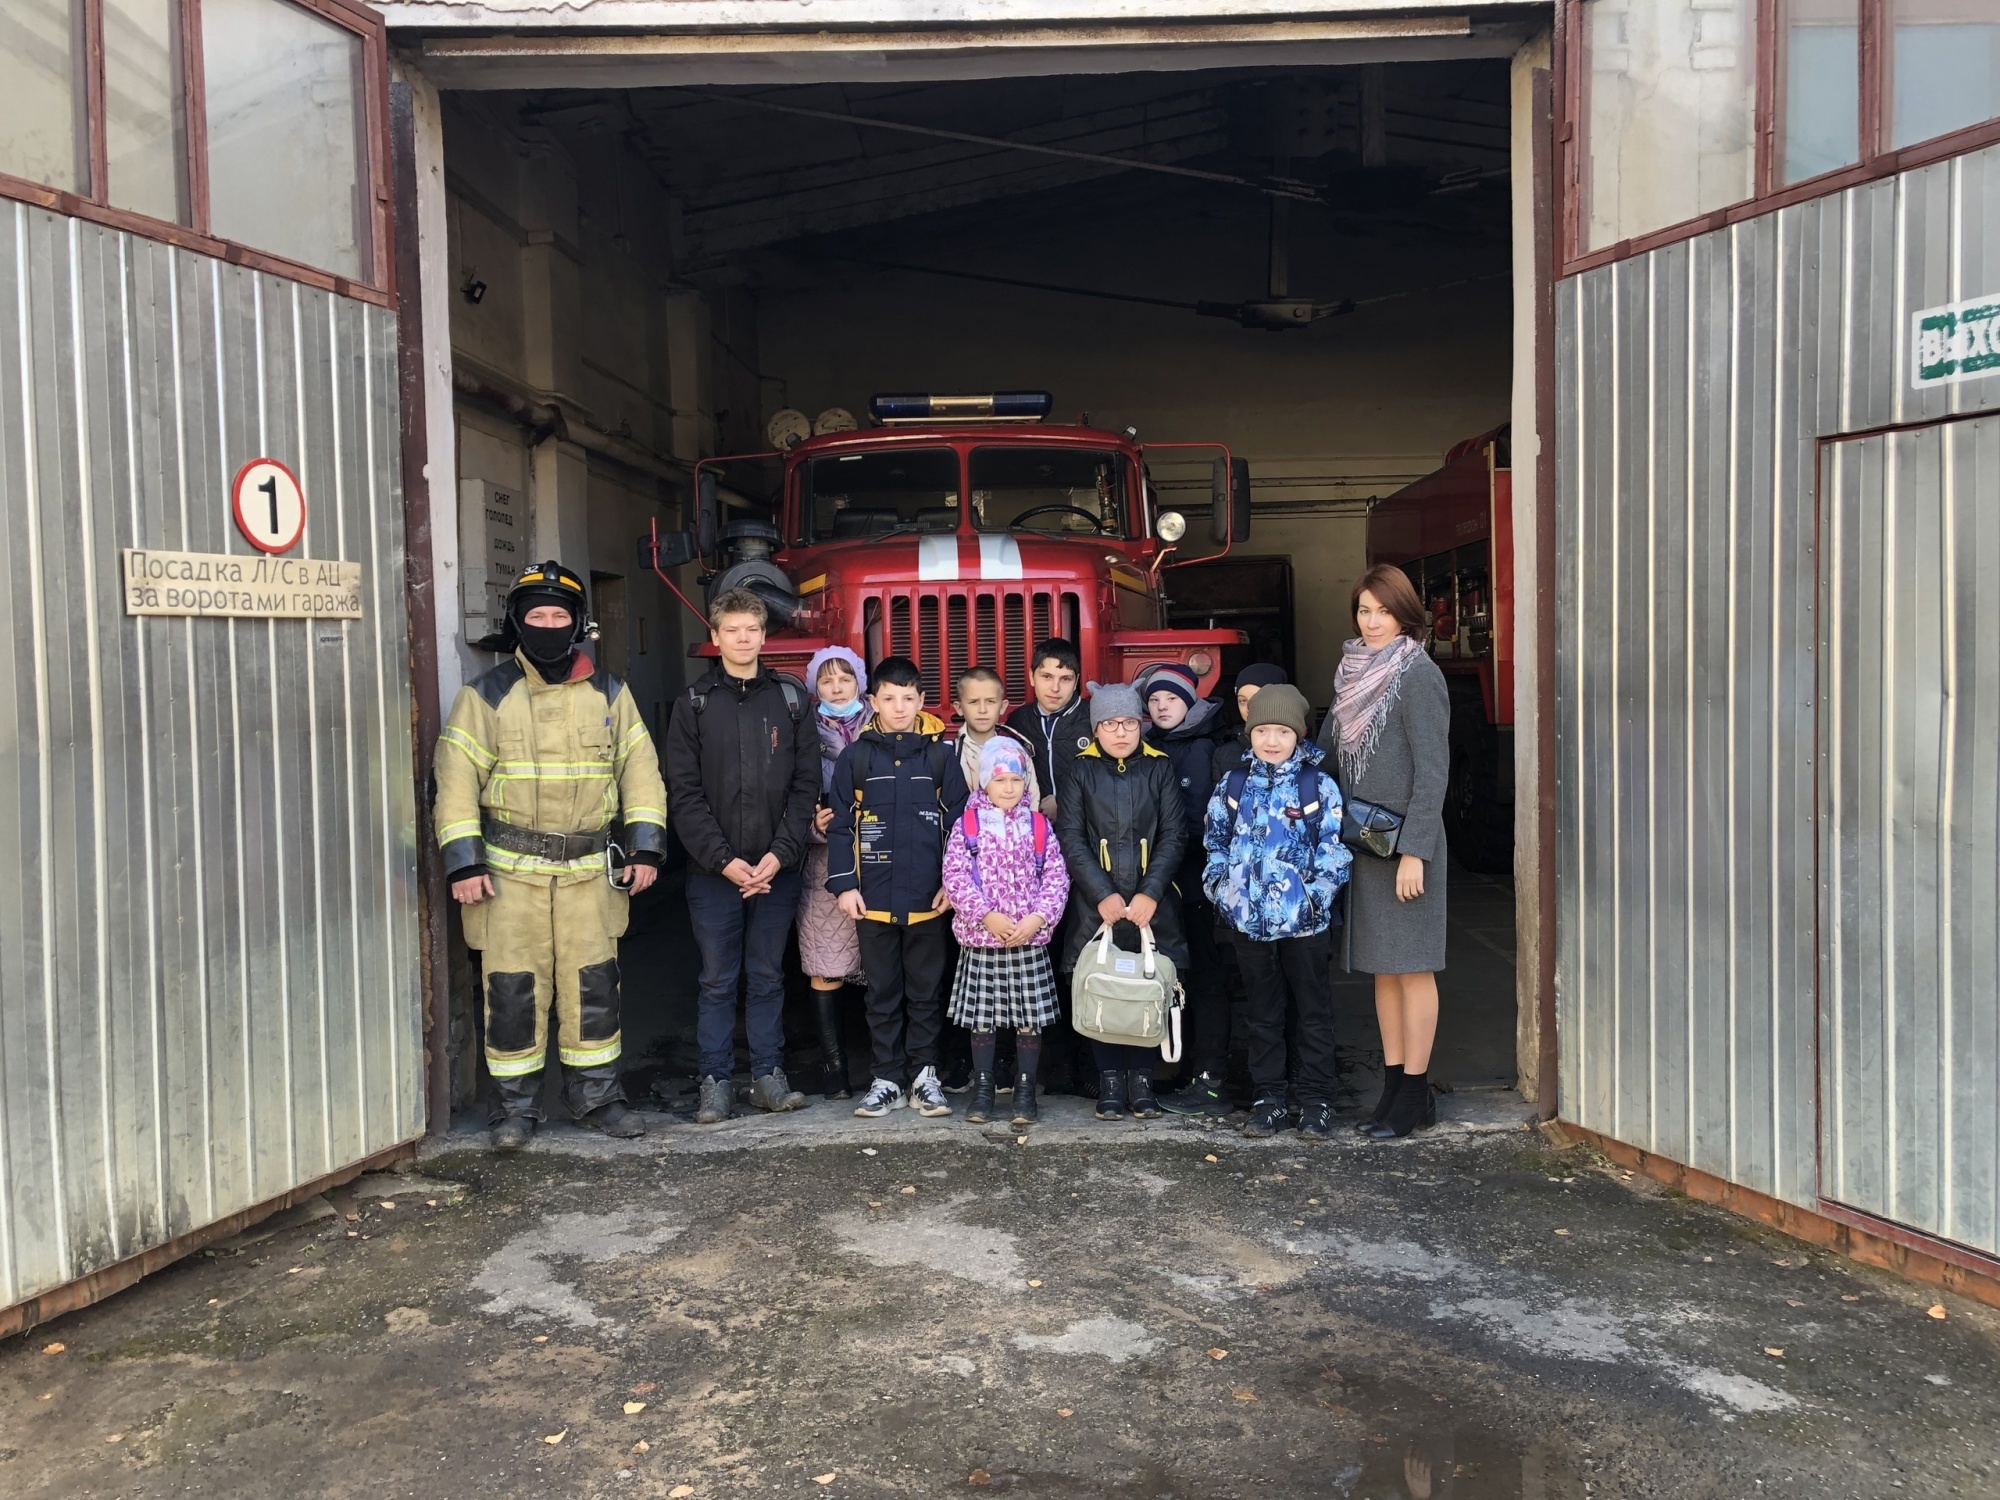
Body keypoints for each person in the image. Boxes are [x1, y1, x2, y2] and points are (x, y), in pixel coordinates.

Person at [435, 560, 667, 1150]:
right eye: (535, 615)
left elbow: (641, 773)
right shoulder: (484, 696)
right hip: (509, 877)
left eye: (558, 615)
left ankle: (598, 1100)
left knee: (594, 991)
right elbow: (455, 780)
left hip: (591, 874)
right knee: (513, 993)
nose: (547, 625)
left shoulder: (611, 694)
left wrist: (646, 849)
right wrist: (464, 862)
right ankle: (513, 1110)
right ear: (516, 623)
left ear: (578, 623)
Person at [664, 588, 820, 1125]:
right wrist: (724, 861)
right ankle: (715, 1082)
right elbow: (682, 794)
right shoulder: (695, 704)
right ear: (715, 637)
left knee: (768, 975)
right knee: (716, 979)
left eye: (751, 629)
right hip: (714, 874)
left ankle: (768, 1077)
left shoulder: (792, 699)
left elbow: (806, 786)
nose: (743, 638)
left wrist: (780, 854)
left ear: (763, 635)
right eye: (731, 629)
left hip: (778, 870)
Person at [1319, 564, 1451, 1139]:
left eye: (1384, 612)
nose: (1372, 622)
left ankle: (1416, 1091)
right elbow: (1324, 754)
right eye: (1364, 610)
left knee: (1413, 968)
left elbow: (1433, 772)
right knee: (1382, 970)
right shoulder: (1350, 675)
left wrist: (1417, 852)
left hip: (1406, 848)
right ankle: (1395, 1087)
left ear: (1405, 616)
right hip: (1366, 845)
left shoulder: (1418, 674)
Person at [1204, 683, 1352, 1141]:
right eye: (1262, 730)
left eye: (1281, 731)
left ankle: (1316, 1101)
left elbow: (1334, 850)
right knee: (1263, 1014)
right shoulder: (1232, 786)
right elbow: (1215, 843)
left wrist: (1314, 897)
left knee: (1312, 1012)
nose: (1271, 740)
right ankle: (1269, 1099)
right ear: (1249, 733)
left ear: (1299, 734)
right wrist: (1223, 891)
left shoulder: (1317, 785)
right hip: (1249, 923)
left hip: (1304, 925)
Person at [826, 656, 970, 1119]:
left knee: (927, 992)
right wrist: (845, 885)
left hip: (930, 900)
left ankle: (926, 1076)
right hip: (873, 902)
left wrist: (954, 884)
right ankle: (887, 1076)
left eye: (909, 698)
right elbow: (840, 827)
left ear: (922, 701)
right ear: (873, 702)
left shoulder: (940, 756)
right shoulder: (857, 757)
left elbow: (961, 828)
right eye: (889, 698)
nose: (899, 706)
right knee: (882, 993)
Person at [1056, 682, 1187, 1122]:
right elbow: (1071, 838)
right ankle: (1110, 1080)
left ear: (1140, 725)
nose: (1120, 732)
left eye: (1129, 722)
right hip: (1098, 906)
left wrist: (1151, 892)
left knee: (1147, 988)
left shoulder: (1160, 768)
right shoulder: (1080, 771)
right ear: (1096, 729)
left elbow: (1174, 835)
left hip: (1152, 905)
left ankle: (1143, 1080)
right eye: (1110, 724)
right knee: (1103, 985)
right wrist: (1103, 894)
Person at [940, 738, 1069, 1127]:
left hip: (1028, 939)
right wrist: (986, 916)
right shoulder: (968, 825)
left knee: (1028, 1018)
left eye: (1017, 779)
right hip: (983, 940)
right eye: (1001, 780)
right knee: (984, 1018)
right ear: (985, 784)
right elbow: (955, 877)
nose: (1009, 788)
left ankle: (1025, 1087)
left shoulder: (1039, 826)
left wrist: (1038, 918)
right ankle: (983, 1087)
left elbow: (1056, 877)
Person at [1138, 663, 1231, 1118]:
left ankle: (1209, 1075)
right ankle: (1169, 1067)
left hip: (1192, 884)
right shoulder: (1146, 745)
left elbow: (1198, 823)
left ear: (1189, 702)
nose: (1161, 707)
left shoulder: (1203, 748)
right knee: (1165, 979)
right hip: (1156, 886)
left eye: (1171, 699)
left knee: (1204, 977)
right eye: (1154, 700)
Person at [796, 646, 870, 1100]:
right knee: (826, 964)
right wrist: (810, 822)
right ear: (814, 687)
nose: (837, 687)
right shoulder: (801, 731)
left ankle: (887, 1064)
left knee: (885, 966)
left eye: (845, 677)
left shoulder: (883, 726)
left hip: (881, 860)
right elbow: (786, 788)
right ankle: (835, 1067)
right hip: (825, 863)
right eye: (826, 680)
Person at [1006, 638, 1091, 819]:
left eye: (1065, 679)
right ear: (1031, 676)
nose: (1055, 688)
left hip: (1084, 829)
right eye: (1046, 677)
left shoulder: (1093, 719)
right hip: (1032, 830)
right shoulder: (1017, 722)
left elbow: (1112, 779)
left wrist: (1062, 802)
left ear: (1076, 681)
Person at [951, 666, 1040, 808]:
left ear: (1003, 706)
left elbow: (1032, 803)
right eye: (973, 702)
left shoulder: (1018, 751)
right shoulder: (950, 754)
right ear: (959, 708)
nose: (982, 710)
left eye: (990, 701)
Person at [1211, 662, 1290, 782]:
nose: (1248, 707)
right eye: (1242, 700)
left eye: (1257, 698)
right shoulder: (1224, 755)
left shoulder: (1307, 753)